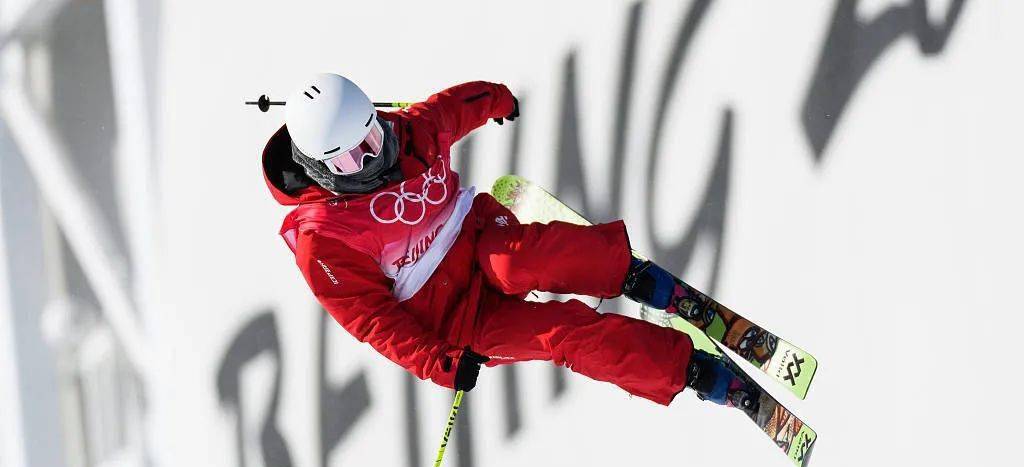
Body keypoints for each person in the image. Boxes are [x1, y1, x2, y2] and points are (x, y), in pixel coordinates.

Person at [261, 73, 757, 410]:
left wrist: (499, 98)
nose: (372, 163)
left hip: (475, 235)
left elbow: (458, 106)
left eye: (371, 142)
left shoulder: (410, 133)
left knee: (516, 261)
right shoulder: (324, 241)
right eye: (350, 162)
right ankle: (688, 368)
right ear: (317, 169)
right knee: (562, 334)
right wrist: (440, 363)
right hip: (455, 318)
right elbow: (373, 320)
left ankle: (628, 274)